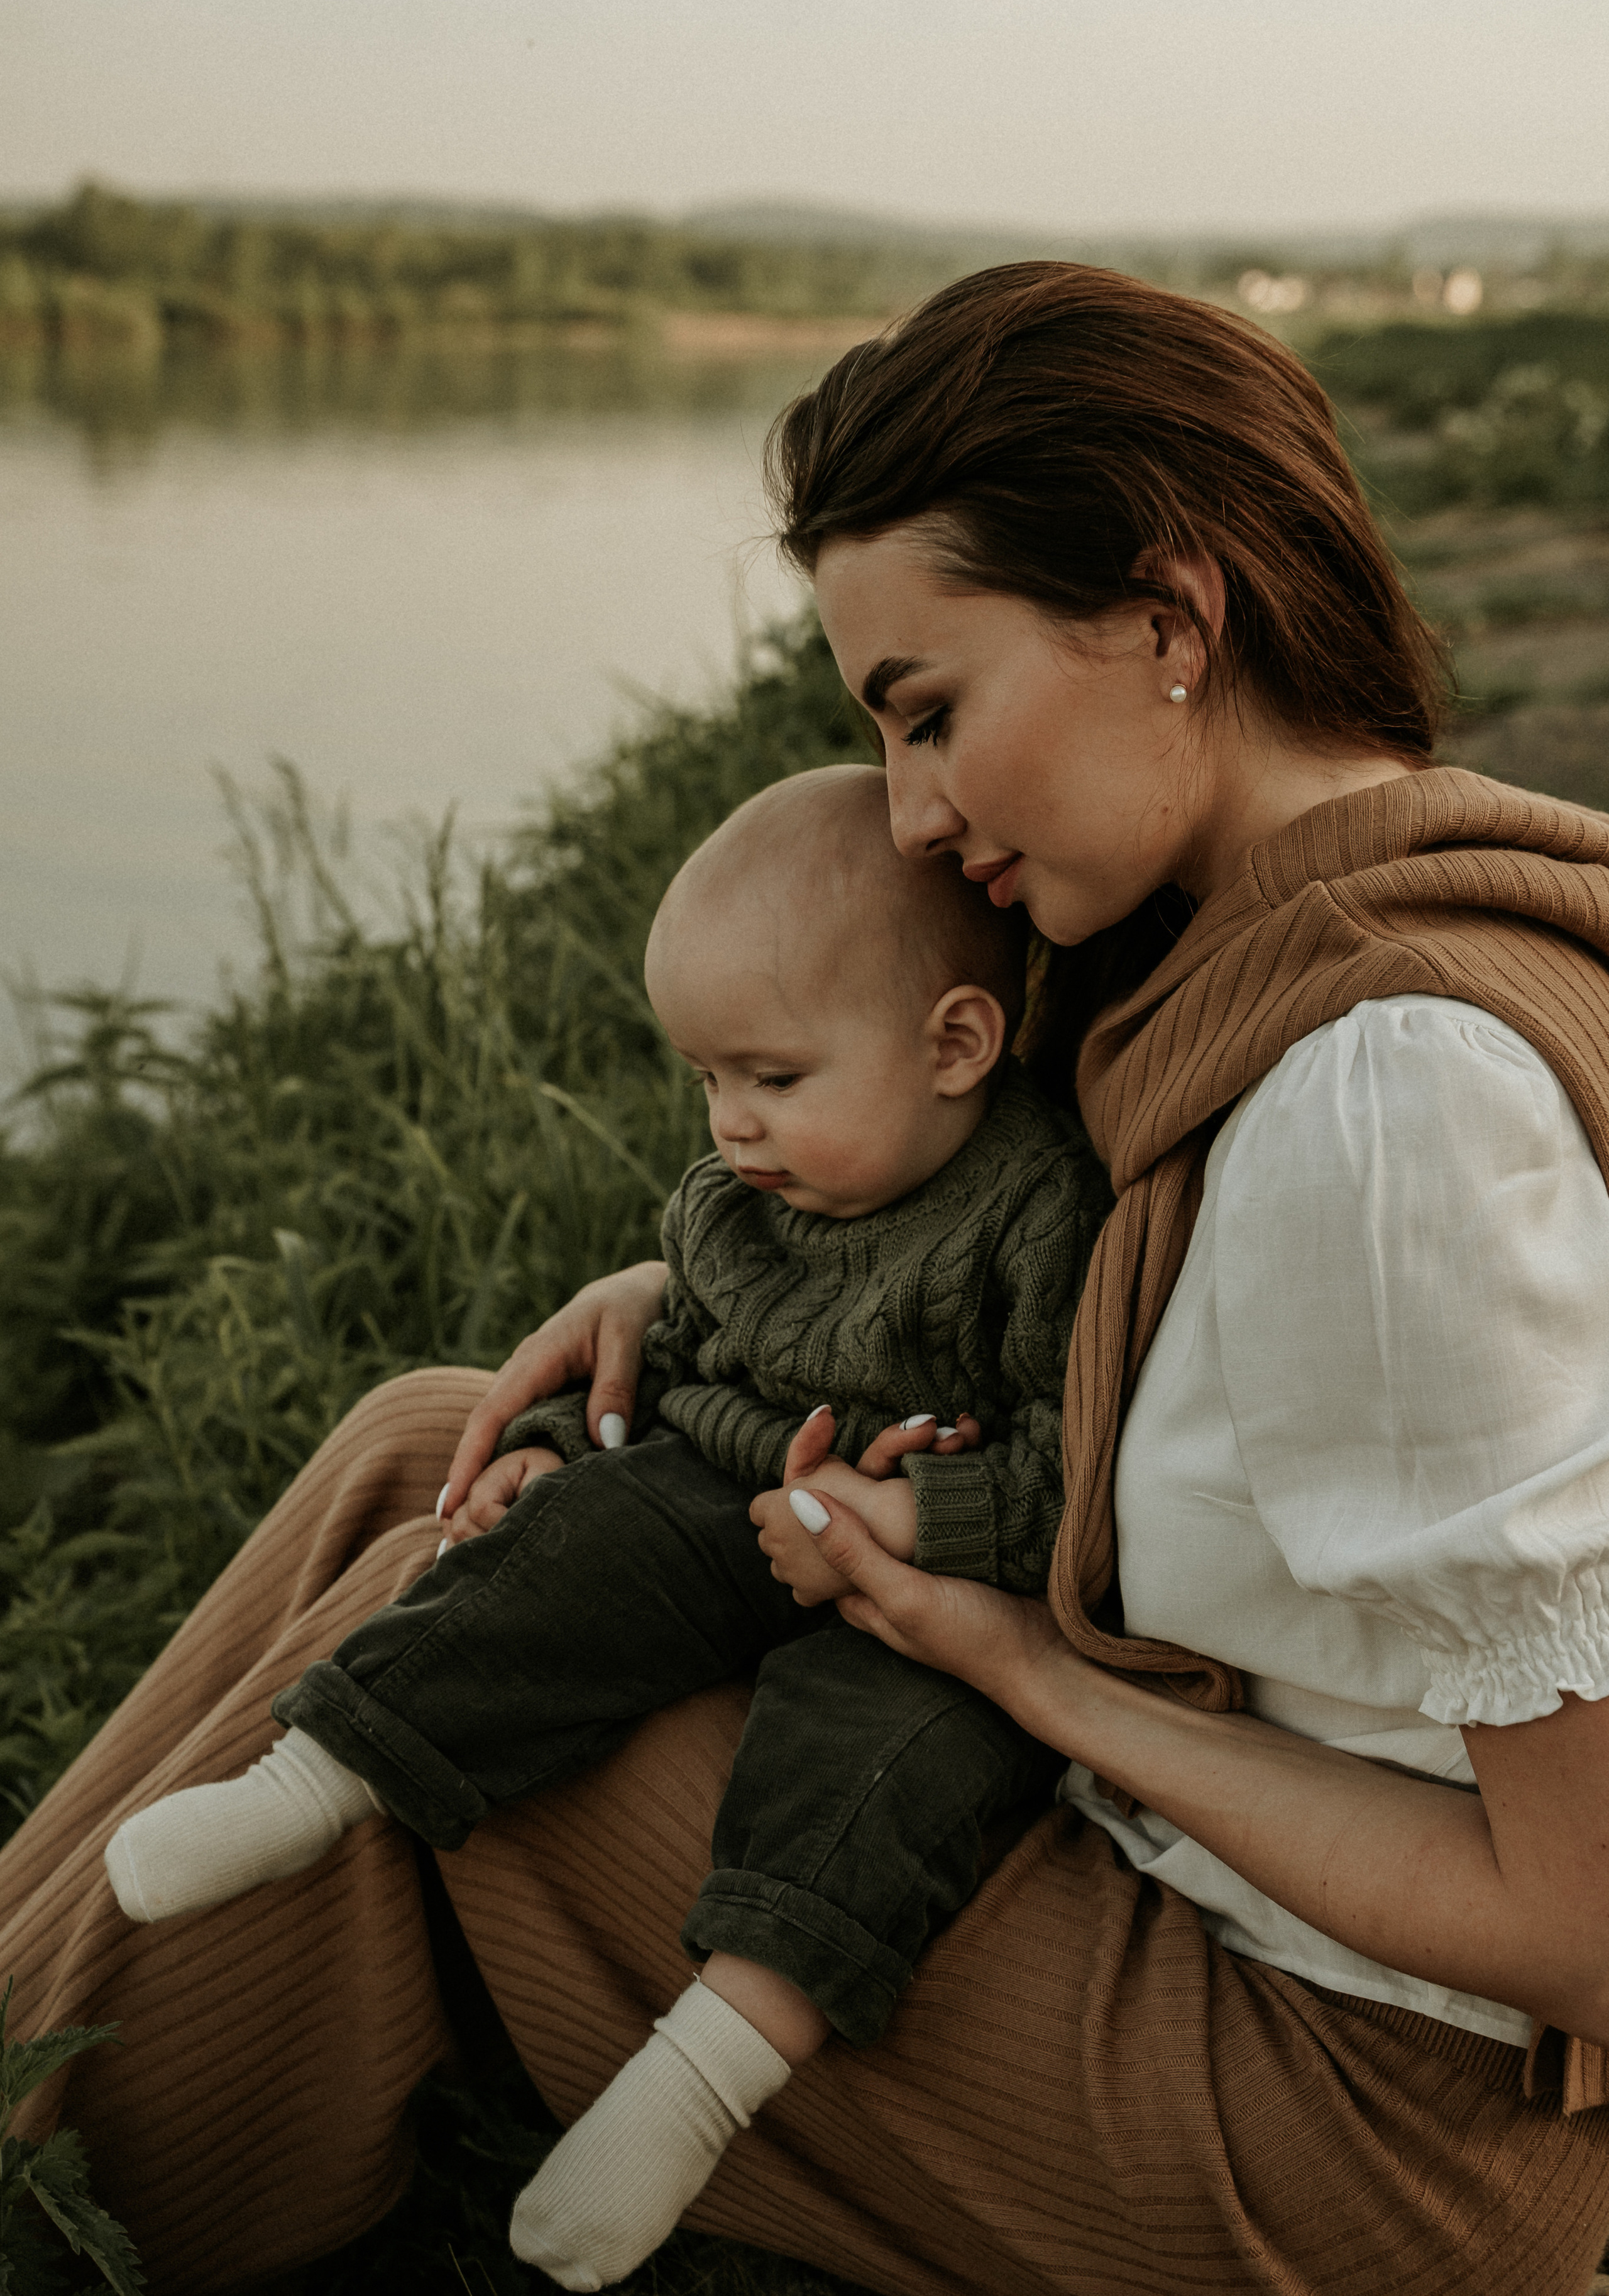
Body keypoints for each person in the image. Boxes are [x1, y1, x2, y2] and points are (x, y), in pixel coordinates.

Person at [8, 259, 1609, 2296]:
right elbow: (1115, 1315)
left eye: (930, 715)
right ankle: (36, 2057)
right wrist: (704, 1302)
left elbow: (1589, 1927)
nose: (920, 817)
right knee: (447, 1444)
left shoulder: (1390, 1105)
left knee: (457, 1654)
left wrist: (1024, 1676)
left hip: (1360, 2132)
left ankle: (63, 2188)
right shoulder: (1329, 927)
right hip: (1286, 1956)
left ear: (1172, 618)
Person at [97, 763, 1106, 2287]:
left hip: (933, 1580)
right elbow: (683, 1358)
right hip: (730, 1485)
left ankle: (697, 2076)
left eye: (769, 1077)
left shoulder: (1040, 1214)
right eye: (704, 1080)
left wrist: (919, 1511)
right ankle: (322, 1769)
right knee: (567, 1552)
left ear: (955, 1044)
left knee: (877, 1759)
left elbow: (1078, 1463)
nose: (730, 1125)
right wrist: (564, 1444)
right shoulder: (739, 1200)